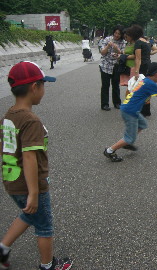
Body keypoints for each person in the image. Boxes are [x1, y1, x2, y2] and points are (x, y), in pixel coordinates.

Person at [0, 61, 73, 270]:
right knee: (44, 226)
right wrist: (34, 193)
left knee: (28, 215)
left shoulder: (10, 114)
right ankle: (48, 265)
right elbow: (30, 157)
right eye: (43, 85)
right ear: (34, 87)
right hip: (31, 185)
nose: (43, 90)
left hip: (12, 180)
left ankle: (3, 248)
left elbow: (4, 146)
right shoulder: (30, 120)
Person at [103, 62, 157, 162]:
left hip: (129, 108)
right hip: (130, 111)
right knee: (130, 138)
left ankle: (127, 142)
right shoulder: (151, 84)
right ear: (156, 74)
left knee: (142, 124)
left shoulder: (145, 80)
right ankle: (110, 151)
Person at [99, 25, 126, 111]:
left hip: (116, 65)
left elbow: (123, 53)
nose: (117, 35)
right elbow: (102, 52)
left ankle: (117, 103)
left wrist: (116, 49)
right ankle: (104, 104)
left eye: (119, 34)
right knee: (105, 85)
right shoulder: (107, 39)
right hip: (105, 65)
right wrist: (108, 46)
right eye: (116, 33)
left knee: (115, 85)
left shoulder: (123, 42)